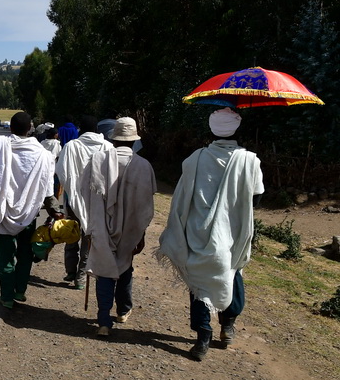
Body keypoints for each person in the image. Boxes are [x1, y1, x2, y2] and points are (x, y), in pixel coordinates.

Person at [158, 107, 264, 361]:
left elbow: (183, 197)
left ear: (211, 129)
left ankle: (202, 339)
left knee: (200, 283)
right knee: (231, 272)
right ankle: (228, 326)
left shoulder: (195, 158)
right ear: (237, 129)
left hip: (199, 232)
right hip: (233, 232)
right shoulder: (249, 160)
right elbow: (256, 199)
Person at [77, 117, 156, 336]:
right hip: (131, 226)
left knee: (104, 270)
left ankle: (104, 320)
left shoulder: (97, 160)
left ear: (113, 138)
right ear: (134, 140)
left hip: (101, 224)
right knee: (125, 265)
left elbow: (83, 192)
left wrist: (93, 221)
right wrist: (140, 234)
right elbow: (147, 204)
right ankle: (122, 310)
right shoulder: (143, 166)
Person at [0, 111, 57, 309]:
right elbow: (47, 188)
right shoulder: (44, 155)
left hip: (3, 213)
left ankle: (7, 297)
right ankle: (20, 290)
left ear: (11, 128)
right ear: (30, 129)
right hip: (29, 214)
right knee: (25, 254)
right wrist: (54, 210)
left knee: (5, 256)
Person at [56, 115, 114, 289]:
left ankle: (70, 271)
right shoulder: (108, 147)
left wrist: (72, 191)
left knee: (71, 234)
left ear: (80, 129)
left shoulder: (71, 146)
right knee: (89, 239)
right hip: (98, 202)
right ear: (97, 129)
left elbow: (62, 172)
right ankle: (81, 277)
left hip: (74, 200)